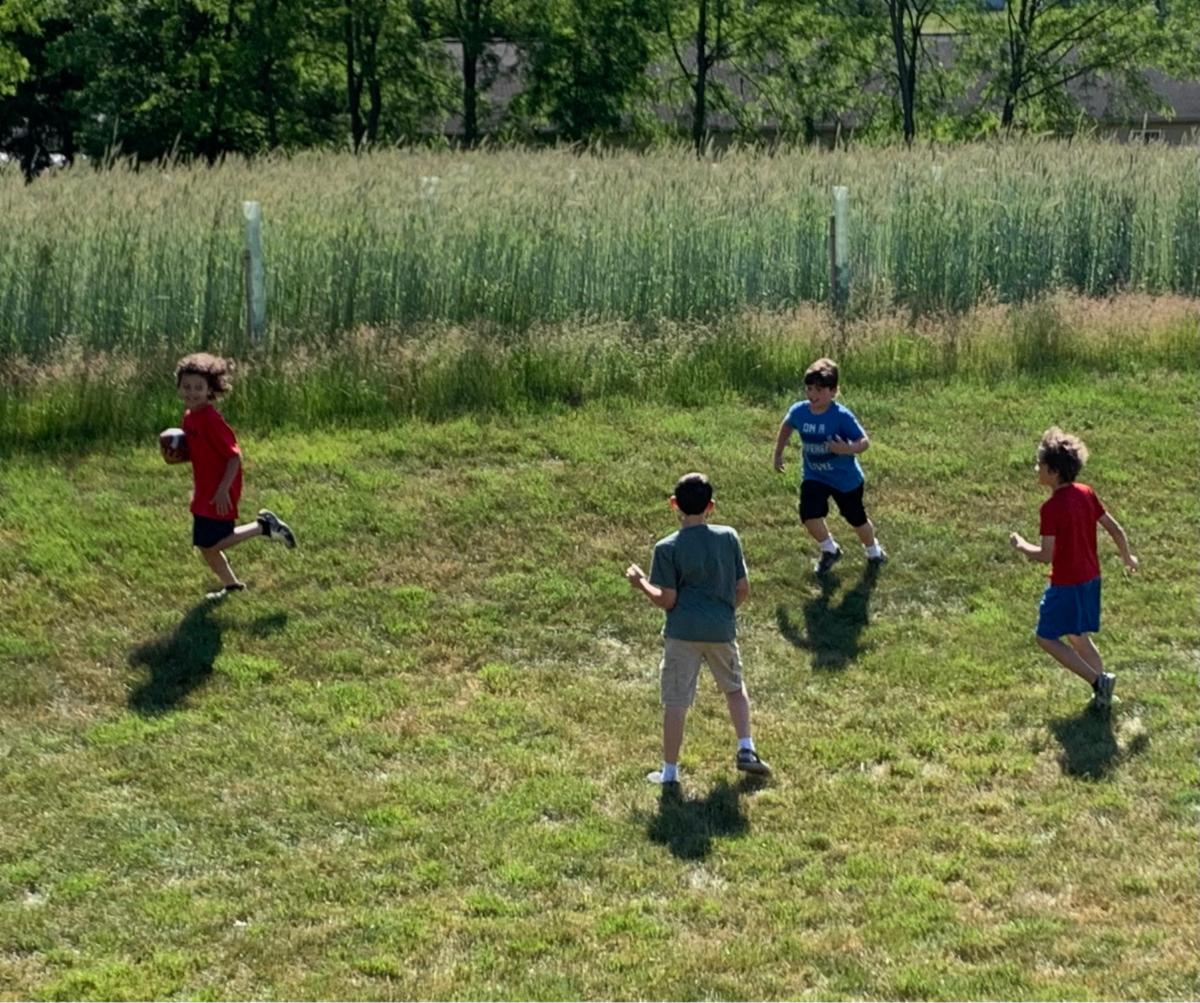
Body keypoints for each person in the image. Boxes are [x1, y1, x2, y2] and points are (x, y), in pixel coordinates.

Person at [625, 472, 771, 785]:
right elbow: (743, 588)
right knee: (734, 688)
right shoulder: (728, 537)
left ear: (674, 504)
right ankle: (746, 748)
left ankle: (670, 772)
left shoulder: (667, 547)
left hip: (682, 633)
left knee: (676, 701)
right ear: (711, 506)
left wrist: (641, 583)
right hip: (721, 630)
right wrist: (722, 612)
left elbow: (667, 599)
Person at [1010, 427, 1138, 708]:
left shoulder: (1051, 509)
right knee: (1078, 637)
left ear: (1054, 471)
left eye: (1040, 464)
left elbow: (1046, 555)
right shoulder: (1086, 493)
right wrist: (1127, 556)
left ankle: (1098, 682)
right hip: (1090, 579)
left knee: (1045, 637)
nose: (1036, 469)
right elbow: (1114, 528)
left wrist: (1021, 545)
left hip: (1066, 584)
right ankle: (1103, 696)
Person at [172, 353, 296, 598]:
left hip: (220, 491)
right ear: (179, 387)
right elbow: (199, 451)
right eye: (186, 386)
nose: (192, 392)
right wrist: (176, 452)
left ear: (210, 390)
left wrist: (222, 491)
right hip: (205, 491)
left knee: (213, 542)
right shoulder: (190, 418)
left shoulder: (211, 419)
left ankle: (263, 527)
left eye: (198, 387)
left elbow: (234, 457)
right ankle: (232, 585)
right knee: (205, 546)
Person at [773, 357, 886, 575]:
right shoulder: (799, 411)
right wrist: (778, 454)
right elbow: (787, 425)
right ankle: (829, 549)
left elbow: (864, 442)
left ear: (833, 391)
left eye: (819, 390)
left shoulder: (841, 416)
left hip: (845, 479)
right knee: (808, 515)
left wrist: (846, 449)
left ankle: (874, 551)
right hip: (814, 476)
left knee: (856, 519)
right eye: (809, 388)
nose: (812, 394)